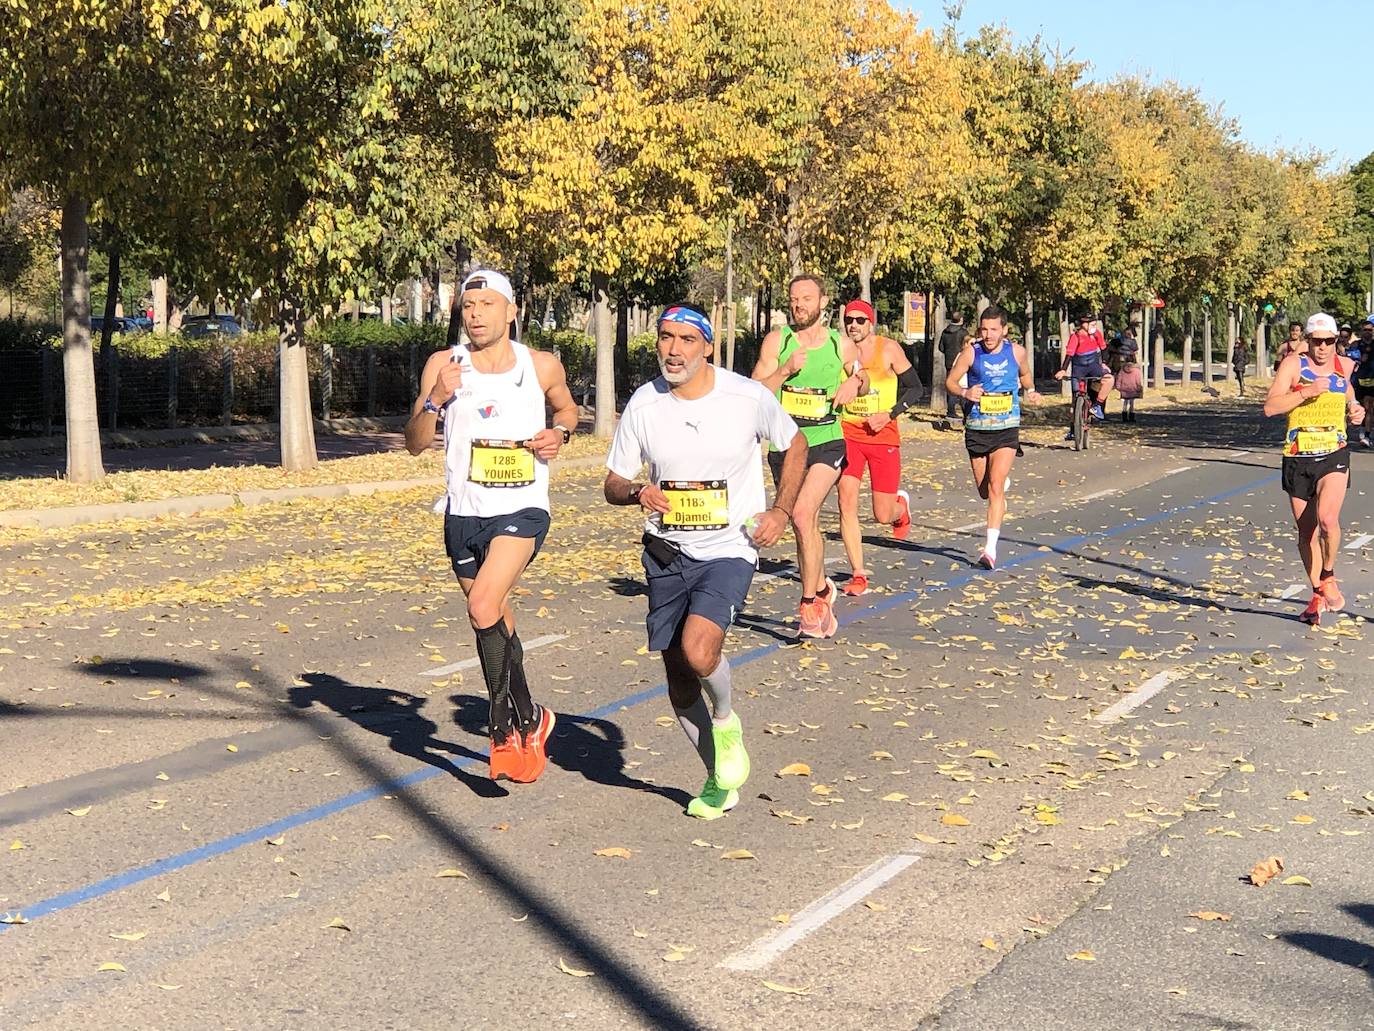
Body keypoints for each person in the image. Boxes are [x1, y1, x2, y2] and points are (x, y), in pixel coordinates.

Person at [604, 303, 806, 819]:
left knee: (699, 651)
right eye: (666, 338)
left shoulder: (746, 396)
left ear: (708, 347)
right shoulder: (644, 404)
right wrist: (636, 493)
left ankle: (726, 718)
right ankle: (718, 776)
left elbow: (796, 443)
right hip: (666, 550)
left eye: (686, 340)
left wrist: (781, 510)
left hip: (730, 547)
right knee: (676, 672)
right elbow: (613, 482)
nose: (673, 350)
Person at [405, 269, 578, 782]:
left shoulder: (540, 365)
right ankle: (533, 715)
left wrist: (560, 433)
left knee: (481, 604)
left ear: (511, 311)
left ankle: (501, 727)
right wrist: (436, 398)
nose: (475, 314)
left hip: (522, 507)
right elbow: (414, 441)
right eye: (468, 306)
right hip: (462, 511)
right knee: (493, 613)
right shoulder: (444, 364)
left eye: (485, 304)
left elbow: (568, 410)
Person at [752, 275, 866, 638]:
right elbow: (755, 391)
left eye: (806, 298)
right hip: (786, 446)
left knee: (800, 514)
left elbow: (864, 380)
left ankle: (808, 604)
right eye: (794, 298)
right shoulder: (778, 341)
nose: (798, 304)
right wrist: (785, 370)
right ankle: (819, 590)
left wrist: (853, 384)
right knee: (807, 523)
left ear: (822, 302)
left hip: (827, 440)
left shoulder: (840, 345)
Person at [1264, 312, 1363, 625]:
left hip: (1334, 452)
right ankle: (1318, 592)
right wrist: (1305, 392)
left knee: (1328, 519)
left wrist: (1355, 409)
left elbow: (1349, 394)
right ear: (1307, 341)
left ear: (1336, 341)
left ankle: (1329, 575)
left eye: (1329, 341)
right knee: (1307, 533)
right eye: (1316, 341)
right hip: (1297, 455)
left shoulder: (1345, 366)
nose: (1322, 347)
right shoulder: (1293, 365)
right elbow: (1270, 407)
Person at [944, 304, 1042, 569]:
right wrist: (965, 394)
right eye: (984, 329)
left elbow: (1025, 375)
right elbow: (950, 382)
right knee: (985, 491)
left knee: (996, 486)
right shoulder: (970, 353)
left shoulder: (1017, 352)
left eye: (994, 330)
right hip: (977, 427)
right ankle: (999, 488)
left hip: (1007, 428)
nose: (988, 335)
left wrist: (1031, 390)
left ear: (1004, 330)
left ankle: (989, 550)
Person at [834, 298, 920, 596]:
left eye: (860, 320)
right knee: (846, 501)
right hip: (849, 435)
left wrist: (890, 414)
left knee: (882, 514)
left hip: (883, 436)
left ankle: (900, 509)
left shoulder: (888, 349)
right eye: (849, 320)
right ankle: (858, 573)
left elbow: (916, 388)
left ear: (871, 323)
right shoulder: (840, 349)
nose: (853, 325)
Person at [1055, 313, 1113, 439]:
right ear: (1084, 325)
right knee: (1075, 402)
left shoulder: (1096, 334)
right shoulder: (1075, 337)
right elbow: (1069, 354)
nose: (1094, 326)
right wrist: (1063, 370)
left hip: (1094, 368)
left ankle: (1097, 406)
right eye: (1091, 324)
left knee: (1108, 380)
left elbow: (1104, 349)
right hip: (1079, 370)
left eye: (1094, 324)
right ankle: (1072, 429)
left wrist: (1104, 364)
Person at [939, 310, 968, 421]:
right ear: (961, 319)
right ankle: (965, 412)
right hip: (962, 362)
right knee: (961, 386)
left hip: (949, 362)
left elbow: (940, 348)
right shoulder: (963, 333)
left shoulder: (945, 332)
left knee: (950, 385)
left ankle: (950, 411)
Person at [1351, 317, 1374, 446]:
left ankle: (1366, 434)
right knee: (1362, 407)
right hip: (1359, 380)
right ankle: (1364, 431)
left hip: (1372, 379)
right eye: (1365, 330)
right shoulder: (1356, 345)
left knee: (1369, 407)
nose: (1367, 332)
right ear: (1361, 331)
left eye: (1370, 330)